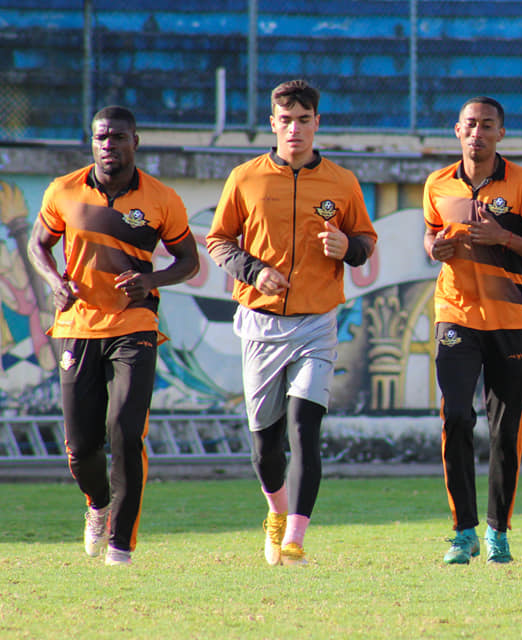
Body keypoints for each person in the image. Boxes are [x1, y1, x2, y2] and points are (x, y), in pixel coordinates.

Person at [206, 80, 377, 566]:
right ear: (273, 123)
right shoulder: (245, 178)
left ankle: (296, 538)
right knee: (265, 445)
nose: (295, 129)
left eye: (304, 120)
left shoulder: (341, 182)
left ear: (317, 122)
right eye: (286, 120)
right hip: (260, 325)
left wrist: (349, 247)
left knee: (305, 428)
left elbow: (365, 240)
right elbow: (218, 241)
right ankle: (276, 513)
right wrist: (254, 272)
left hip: (317, 323)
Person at [27, 106, 199, 566]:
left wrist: (152, 282)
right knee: (82, 448)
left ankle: (121, 548)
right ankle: (97, 506)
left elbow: (189, 261)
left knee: (125, 432)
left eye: (118, 137)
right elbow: (37, 244)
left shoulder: (162, 199)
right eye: (102, 137)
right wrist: (54, 282)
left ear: (135, 142)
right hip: (77, 327)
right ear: (92, 141)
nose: (109, 145)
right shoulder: (63, 191)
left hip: (134, 324)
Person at [423, 96, 522, 565]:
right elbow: (430, 235)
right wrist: (436, 247)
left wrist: (503, 238)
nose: (477, 133)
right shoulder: (438, 183)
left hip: (510, 321)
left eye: (487, 125)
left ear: (501, 132)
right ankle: (463, 532)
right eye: (469, 125)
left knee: (506, 433)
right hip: (456, 315)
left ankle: (498, 531)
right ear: (456, 130)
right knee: (457, 417)